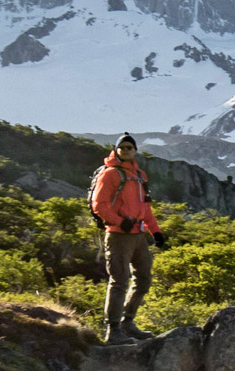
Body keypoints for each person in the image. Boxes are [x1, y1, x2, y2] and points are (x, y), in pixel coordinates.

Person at [88, 133, 163, 345]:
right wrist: (120, 222)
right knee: (119, 281)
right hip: (118, 235)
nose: (127, 150)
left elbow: (146, 208)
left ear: (135, 150)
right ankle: (113, 331)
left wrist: (155, 232)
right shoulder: (110, 174)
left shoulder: (140, 175)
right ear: (116, 149)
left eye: (130, 147)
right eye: (123, 147)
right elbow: (99, 205)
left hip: (138, 236)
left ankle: (127, 323)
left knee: (144, 279)